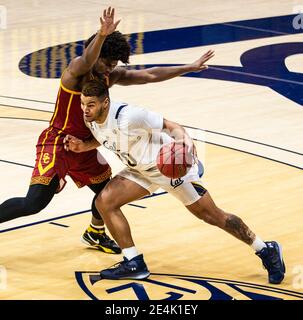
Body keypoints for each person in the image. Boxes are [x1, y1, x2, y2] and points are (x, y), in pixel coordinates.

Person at [0, 6, 214, 255]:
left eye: (114, 64)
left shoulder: (107, 76)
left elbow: (148, 75)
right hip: (58, 142)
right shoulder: (75, 73)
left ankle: (95, 233)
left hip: (87, 145)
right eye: (107, 62)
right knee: (34, 203)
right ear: (97, 53)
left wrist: (187, 67)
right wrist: (102, 35)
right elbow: (88, 60)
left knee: (106, 194)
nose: (110, 68)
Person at [63, 79, 286, 284]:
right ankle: (134, 262)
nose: (85, 109)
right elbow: (105, 137)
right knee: (105, 202)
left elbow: (171, 126)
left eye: (90, 104)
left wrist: (185, 143)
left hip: (168, 168)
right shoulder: (90, 118)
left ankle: (265, 249)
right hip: (139, 170)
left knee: (212, 215)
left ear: (105, 103)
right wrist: (83, 146)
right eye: (83, 104)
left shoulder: (130, 116)